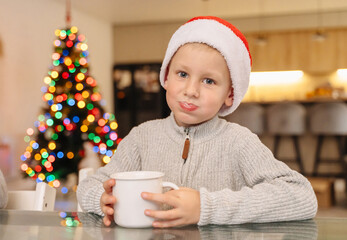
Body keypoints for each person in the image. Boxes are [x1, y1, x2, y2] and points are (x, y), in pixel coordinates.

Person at [77, 16, 317, 228]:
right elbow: (91, 185)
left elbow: (302, 197)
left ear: (230, 94)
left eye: (209, 81)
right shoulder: (142, 137)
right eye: (182, 74)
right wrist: (102, 199)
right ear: (166, 77)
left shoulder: (240, 142)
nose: (191, 91)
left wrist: (206, 207)